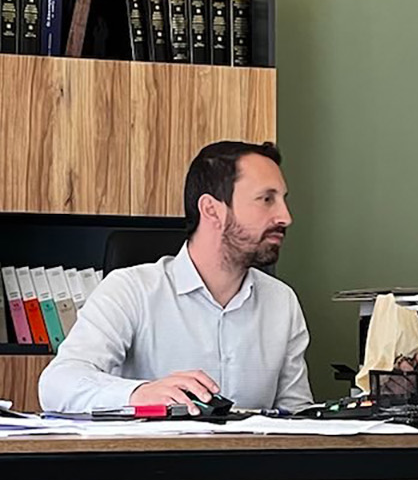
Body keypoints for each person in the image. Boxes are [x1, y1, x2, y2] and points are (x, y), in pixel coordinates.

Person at [38, 140, 314, 415]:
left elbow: (296, 415)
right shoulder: (130, 290)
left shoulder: (282, 301)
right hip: (155, 458)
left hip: (253, 459)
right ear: (211, 209)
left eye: (282, 200)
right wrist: (138, 393)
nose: (285, 216)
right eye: (266, 199)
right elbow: (57, 385)